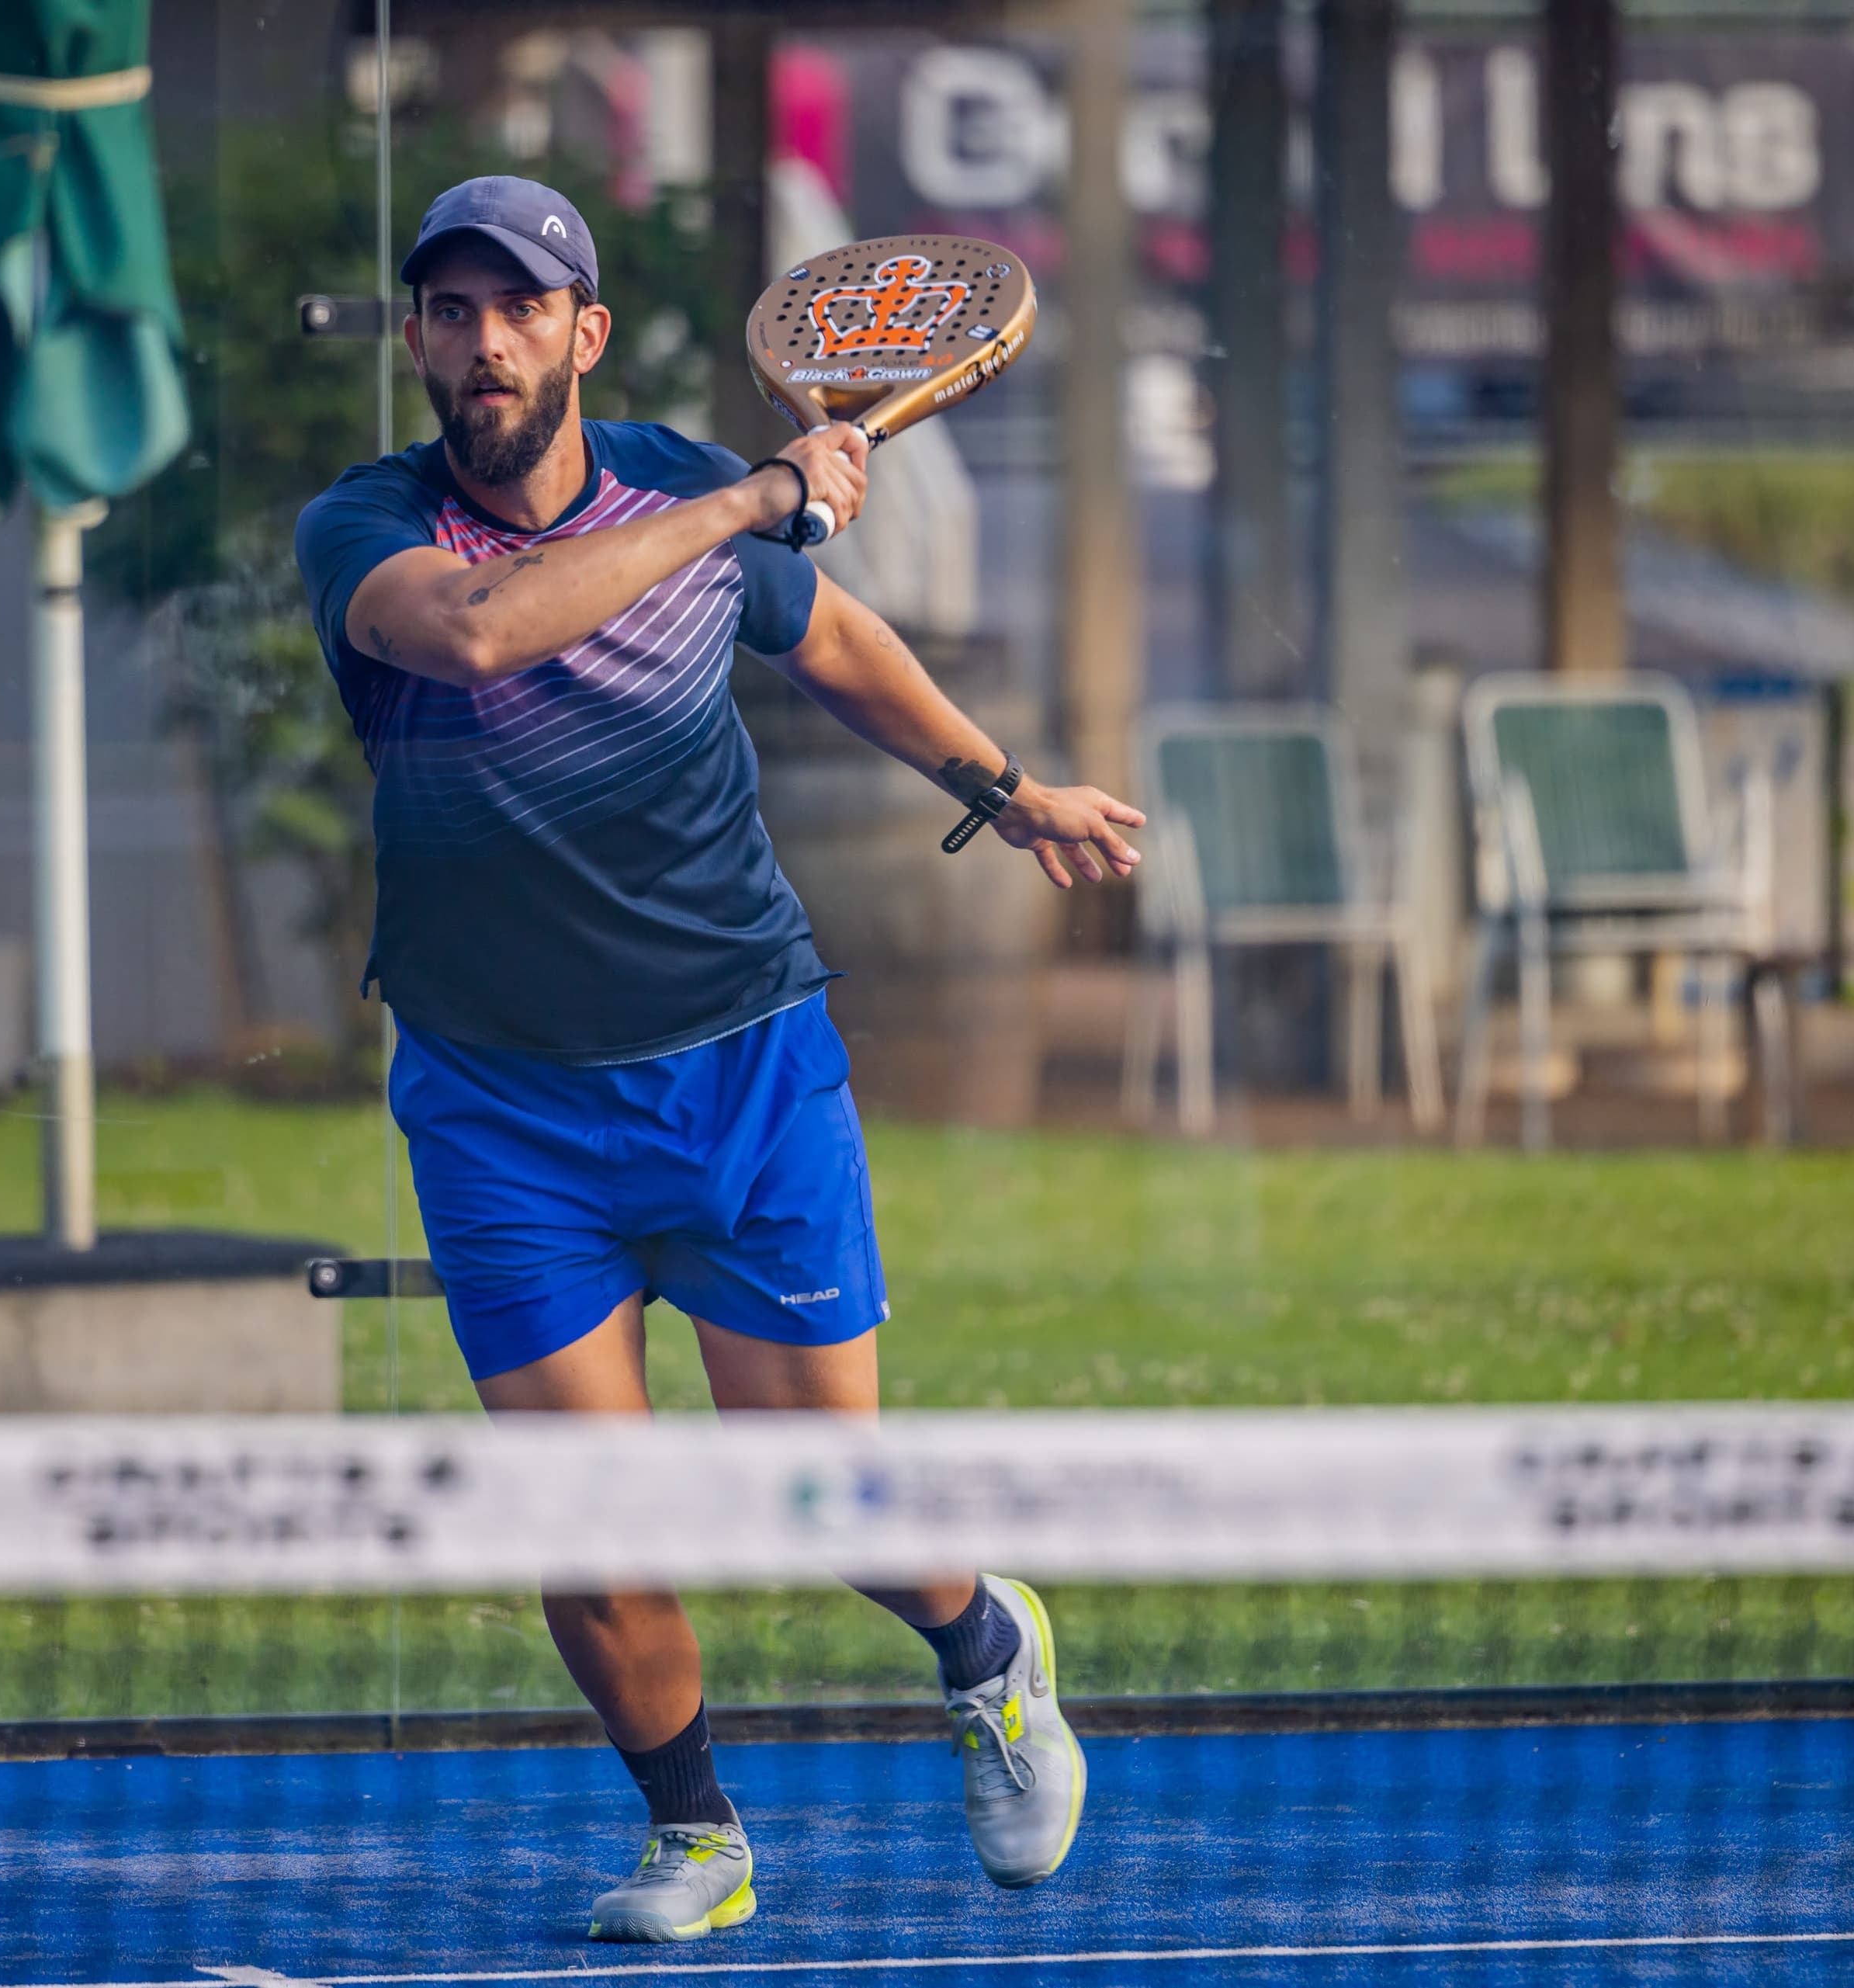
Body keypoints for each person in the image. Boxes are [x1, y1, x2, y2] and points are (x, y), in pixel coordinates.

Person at [293, 176, 1145, 1944]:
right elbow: (477, 632)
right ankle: (696, 1836)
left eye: (519, 309)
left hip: (743, 1071)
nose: (484, 342)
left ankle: (986, 1645)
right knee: (589, 1519)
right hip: (500, 1105)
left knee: (816, 1492)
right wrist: (759, 496)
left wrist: (1005, 788)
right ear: (419, 344)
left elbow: (829, 635)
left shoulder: (685, 494)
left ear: (583, 336)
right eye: (449, 312)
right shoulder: (368, 531)